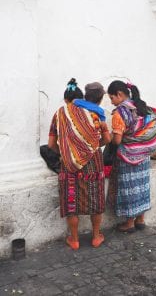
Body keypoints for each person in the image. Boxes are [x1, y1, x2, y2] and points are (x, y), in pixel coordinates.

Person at [48, 78, 111, 250]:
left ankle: (74, 240)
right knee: (95, 199)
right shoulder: (94, 114)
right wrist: (92, 146)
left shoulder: (60, 114)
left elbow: (51, 144)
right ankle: (96, 236)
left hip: (68, 165)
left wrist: (67, 153)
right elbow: (106, 139)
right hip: (93, 163)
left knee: (71, 201)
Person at [107, 80, 156, 232]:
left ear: (119, 94)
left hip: (128, 156)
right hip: (144, 155)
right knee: (142, 187)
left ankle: (129, 223)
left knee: (129, 187)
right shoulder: (141, 106)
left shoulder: (120, 113)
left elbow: (117, 140)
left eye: (112, 98)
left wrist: (108, 137)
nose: (111, 102)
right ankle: (141, 220)